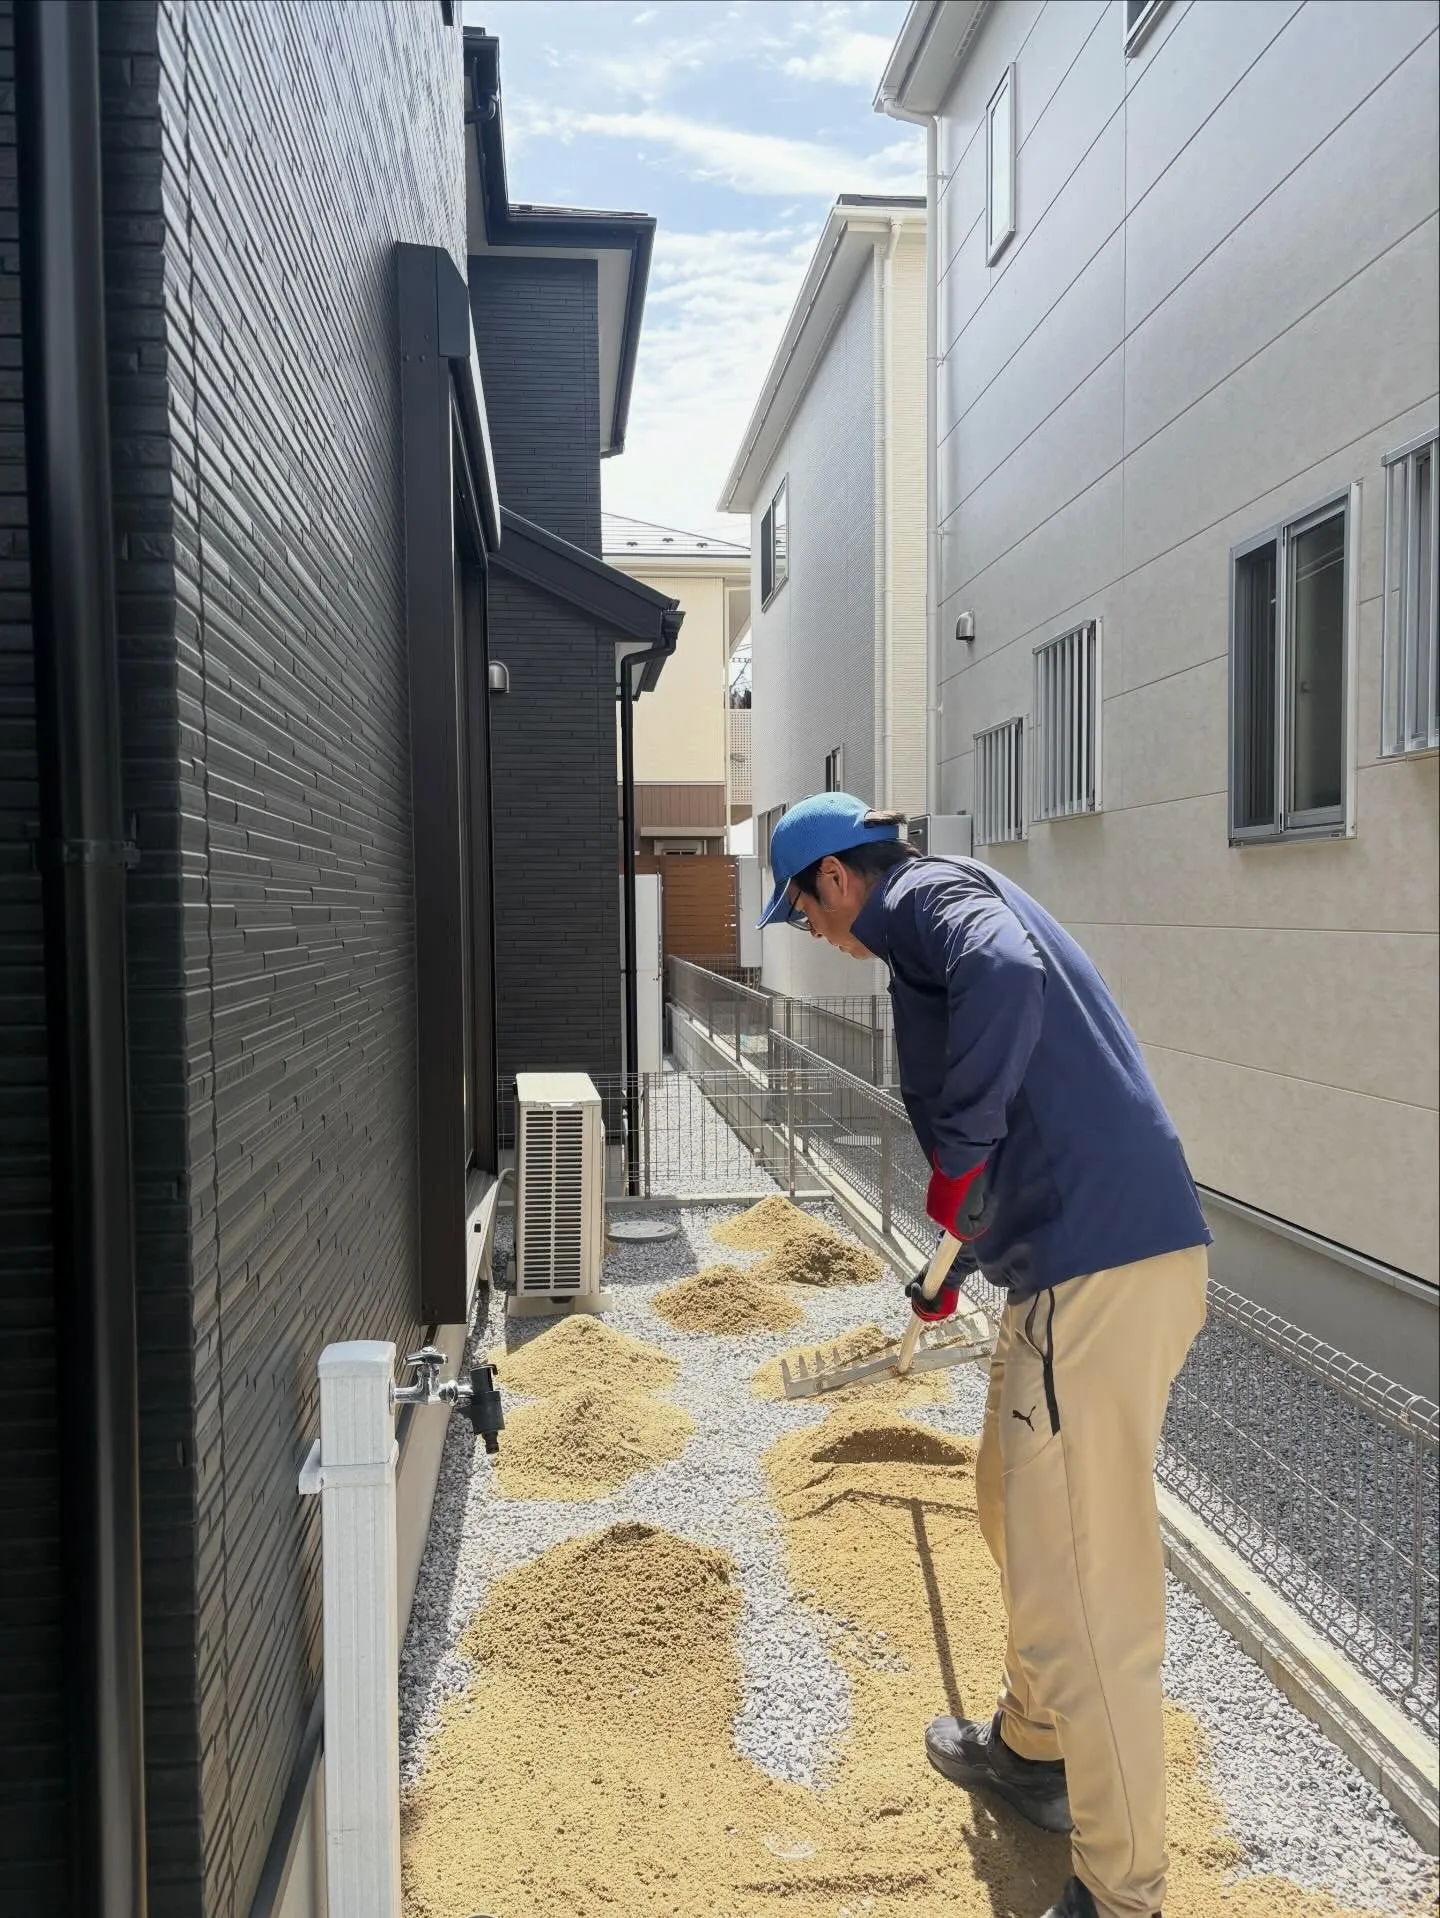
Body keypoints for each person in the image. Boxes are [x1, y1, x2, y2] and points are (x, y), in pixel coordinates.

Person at [758, 791, 1211, 1918]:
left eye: (803, 909)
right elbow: (1014, 1118)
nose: (812, 931)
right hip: (1067, 1265)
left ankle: (1123, 1889)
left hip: (1093, 1274)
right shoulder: (937, 906)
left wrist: (955, 1153)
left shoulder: (927, 898)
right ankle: (1035, 1745)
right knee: (1009, 1503)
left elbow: (1004, 981)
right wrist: (950, 1261)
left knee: (1087, 1590)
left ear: (835, 879)